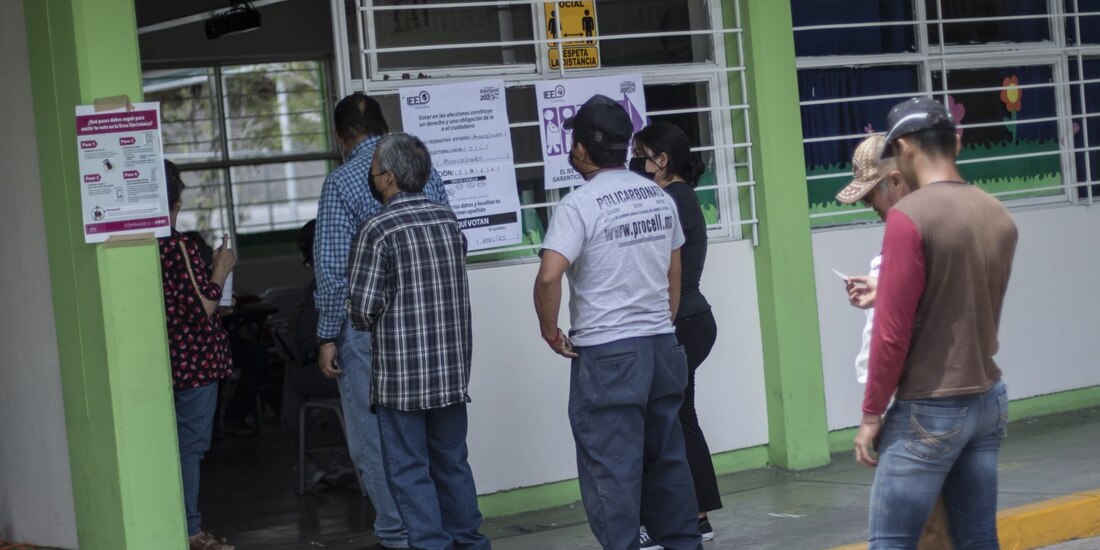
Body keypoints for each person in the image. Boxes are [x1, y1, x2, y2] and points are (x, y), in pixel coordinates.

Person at [533, 94, 702, 550]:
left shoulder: (578, 205)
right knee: (667, 461)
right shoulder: (659, 197)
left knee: (612, 469)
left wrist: (550, 332)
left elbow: (550, 277)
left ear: (583, 151)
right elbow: (675, 271)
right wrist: (660, 323)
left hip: (608, 355)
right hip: (661, 348)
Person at [853, 97, 1018, 549]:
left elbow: (892, 332)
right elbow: (958, 300)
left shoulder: (909, 216)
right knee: (977, 539)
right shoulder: (996, 213)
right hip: (987, 398)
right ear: (957, 143)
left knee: (890, 540)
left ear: (905, 146)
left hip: (929, 405)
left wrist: (871, 414)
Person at [313, 92, 450, 550]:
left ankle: (397, 535)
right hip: (430, 320)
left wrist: (327, 335)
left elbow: (333, 274)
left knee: (375, 437)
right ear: (383, 124)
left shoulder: (339, 184)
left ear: (340, 139)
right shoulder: (421, 168)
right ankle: (437, 530)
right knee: (434, 436)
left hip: (369, 326)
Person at [347, 133, 490, 550]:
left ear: (388, 178)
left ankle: (431, 545)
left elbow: (362, 311)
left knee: (409, 470)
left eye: (373, 170)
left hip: (400, 380)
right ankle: (470, 543)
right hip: (449, 374)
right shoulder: (448, 220)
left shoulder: (377, 229)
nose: (372, 177)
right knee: (452, 464)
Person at [836, 134, 951, 550]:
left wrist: (872, 414)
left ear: (897, 182)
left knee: (896, 534)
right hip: (954, 397)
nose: (871, 208)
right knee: (941, 526)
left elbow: (890, 338)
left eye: (872, 196)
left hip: (918, 403)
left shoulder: (910, 235)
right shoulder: (947, 221)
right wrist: (882, 290)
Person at [630, 122, 720, 544]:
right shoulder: (675, 196)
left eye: (640, 153)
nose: (634, 161)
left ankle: (676, 518)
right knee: (680, 419)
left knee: (666, 421)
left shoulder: (673, 199)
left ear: (661, 160)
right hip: (689, 320)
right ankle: (696, 516)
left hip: (682, 321)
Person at [159, 161, 237, 550]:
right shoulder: (176, 245)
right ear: (175, 201)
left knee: (171, 446)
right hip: (194, 364)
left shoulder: (136, 247)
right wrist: (221, 270)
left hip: (165, 362)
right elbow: (203, 306)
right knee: (190, 447)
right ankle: (191, 530)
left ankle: (175, 524)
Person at [280, 219, 350, 489]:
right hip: (371, 367)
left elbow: (307, 342)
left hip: (339, 371)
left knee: (294, 385)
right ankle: (334, 456)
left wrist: (297, 324)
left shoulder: (321, 286)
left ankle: (307, 464)